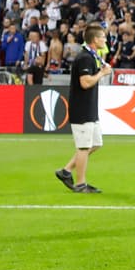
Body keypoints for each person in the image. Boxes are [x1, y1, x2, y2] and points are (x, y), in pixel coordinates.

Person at [54, 26, 113, 195]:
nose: (105, 40)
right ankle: (80, 184)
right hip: (82, 108)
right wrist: (102, 73)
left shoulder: (91, 56)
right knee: (83, 147)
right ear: (95, 40)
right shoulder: (85, 58)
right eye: (103, 37)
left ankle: (66, 171)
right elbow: (85, 83)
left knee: (95, 143)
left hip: (89, 107)